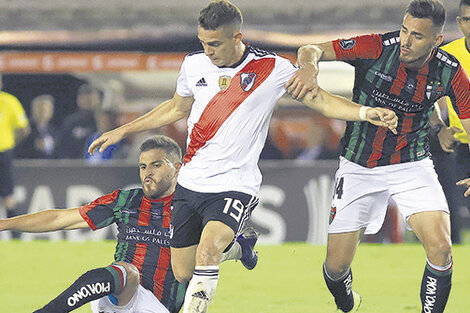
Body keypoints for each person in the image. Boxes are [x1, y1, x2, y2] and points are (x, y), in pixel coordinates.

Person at [88, 1, 398, 312]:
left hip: (236, 184)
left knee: (208, 252)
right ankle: (240, 247)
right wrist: (123, 130)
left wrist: (364, 112)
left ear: (237, 37)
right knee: (182, 271)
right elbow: (175, 108)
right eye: (203, 42)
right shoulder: (193, 64)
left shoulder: (272, 68)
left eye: (215, 43)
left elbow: (319, 100)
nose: (208, 50)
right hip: (191, 183)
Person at [291, 0, 470, 312]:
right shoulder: (375, 47)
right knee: (335, 268)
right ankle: (347, 301)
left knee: (441, 249)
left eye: (416, 35)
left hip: (412, 164)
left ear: (436, 40)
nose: (405, 40)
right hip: (359, 165)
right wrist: (308, 68)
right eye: (404, 30)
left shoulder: (450, 71)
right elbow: (311, 49)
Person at [0, 135, 258, 313]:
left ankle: (241, 247)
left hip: (159, 307)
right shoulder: (126, 200)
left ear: (178, 167)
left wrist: (235, 249)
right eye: (143, 166)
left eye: (157, 165)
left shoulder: (191, 208)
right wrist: (4, 223)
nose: (148, 172)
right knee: (125, 273)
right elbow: (59, 218)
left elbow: (205, 256)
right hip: (118, 296)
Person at [431, 0, 470, 244]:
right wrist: (439, 128)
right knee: (447, 218)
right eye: (467, 19)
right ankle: (448, 274)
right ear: (459, 22)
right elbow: (423, 95)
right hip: (458, 147)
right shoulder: (449, 55)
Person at [0, 76, 30, 222]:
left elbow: (23, 129)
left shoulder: (9, 101)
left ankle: (14, 232)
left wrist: (11, 142)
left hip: (3, 152)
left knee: (8, 194)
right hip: (5, 150)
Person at [57, 84, 100, 159]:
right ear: (78, 100)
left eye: (90, 99)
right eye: (84, 98)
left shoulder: (102, 121)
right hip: (75, 165)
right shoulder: (71, 122)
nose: (87, 101)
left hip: (99, 164)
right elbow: (62, 147)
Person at [16, 94, 57, 159]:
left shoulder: (54, 130)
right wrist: (34, 146)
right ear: (33, 109)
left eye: (47, 108)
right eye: (40, 108)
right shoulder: (24, 128)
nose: (43, 111)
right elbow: (16, 150)